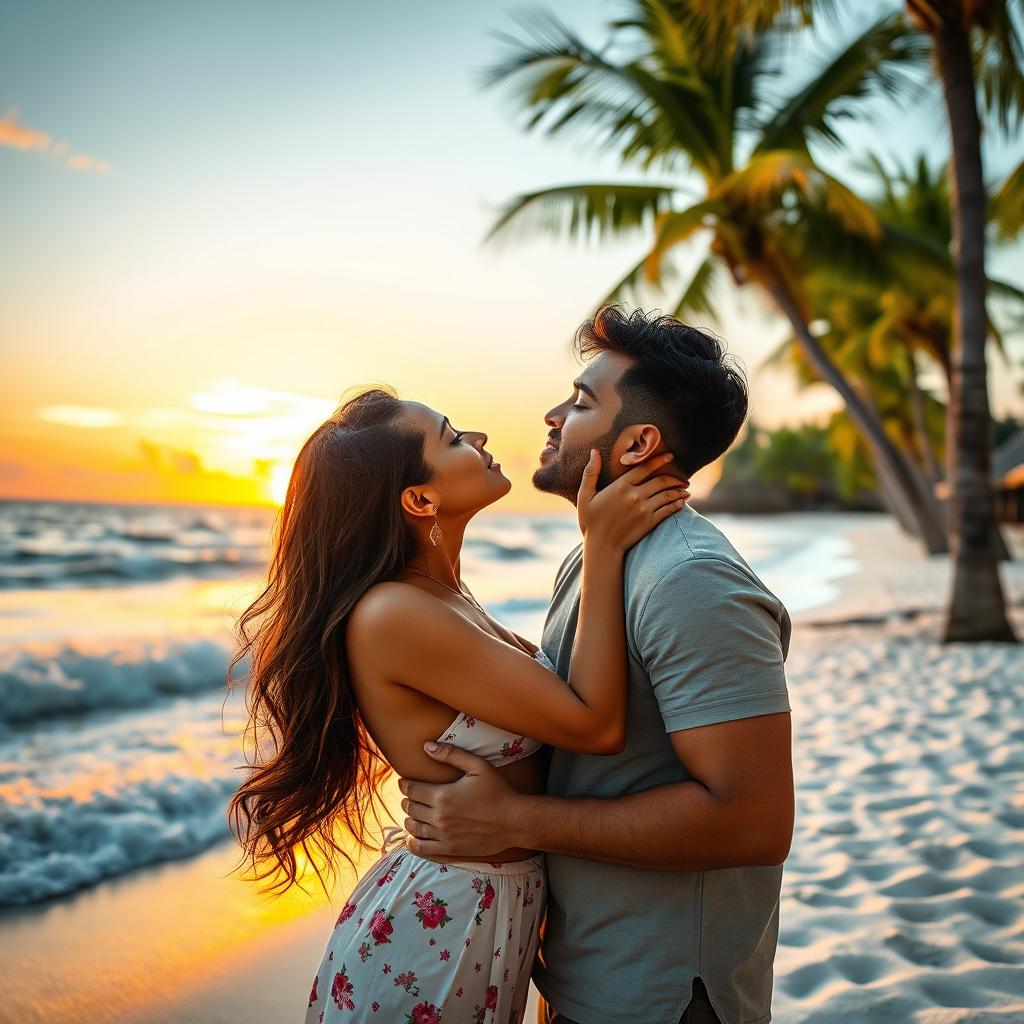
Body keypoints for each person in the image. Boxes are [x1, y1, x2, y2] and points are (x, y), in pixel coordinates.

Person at [224, 385, 690, 1023]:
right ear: (419, 499)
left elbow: (571, 694)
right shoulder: (394, 612)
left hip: (485, 911)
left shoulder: (446, 598)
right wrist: (602, 546)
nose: (480, 438)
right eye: (452, 437)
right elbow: (595, 723)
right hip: (438, 926)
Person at [399, 307, 795, 1024]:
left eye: (582, 403)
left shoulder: (692, 579)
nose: (553, 414)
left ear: (640, 443)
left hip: (664, 994)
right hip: (586, 971)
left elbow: (752, 823)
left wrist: (514, 817)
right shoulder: (596, 554)